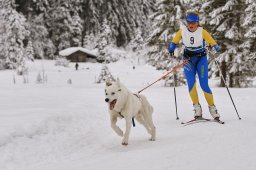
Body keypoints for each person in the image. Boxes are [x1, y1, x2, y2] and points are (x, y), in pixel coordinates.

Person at [168, 12, 221, 120]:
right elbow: (174, 41)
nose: (190, 25)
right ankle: (197, 108)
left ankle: (212, 108)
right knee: (191, 84)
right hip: (188, 60)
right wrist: (171, 48)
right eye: (189, 22)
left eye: (193, 22)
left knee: (204, 85)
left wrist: (216, 47)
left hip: (201, 59)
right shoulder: (183, 30)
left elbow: (212, 41)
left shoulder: (202, 31)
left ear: (197, 23)